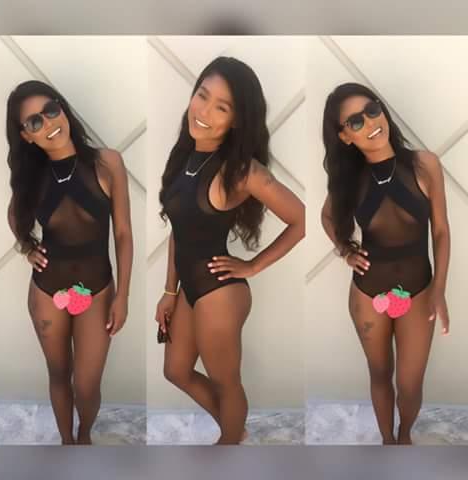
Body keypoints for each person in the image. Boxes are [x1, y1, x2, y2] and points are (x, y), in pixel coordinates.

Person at [155, 57, 305, 445]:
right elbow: (179, 231)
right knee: (176, 371)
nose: (204, 111)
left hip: (219, 293)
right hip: (189, 290)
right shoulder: (183, 156)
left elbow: (301, 219)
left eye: (221, 107)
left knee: (226, 382)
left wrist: (253, 266)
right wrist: (169, 291)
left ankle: (229, 444)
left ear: (237, 120)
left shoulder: (241, 171)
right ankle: (235, 432)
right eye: (202, 96)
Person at [321, 82, 450, 445]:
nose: (370, 122)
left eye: (372, 110)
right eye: (355, 121)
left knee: (409, 385)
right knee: (379, 373)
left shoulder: (425, 164)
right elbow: (326, 217)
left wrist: (439, 290)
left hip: (419, 292)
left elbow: (441, 231)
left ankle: (404, 436)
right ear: (344, 136)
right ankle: (387, 443)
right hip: (368, 295)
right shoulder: (348, 181)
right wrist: (345, 249)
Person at [6, 80, 133, 445]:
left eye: (51, 110)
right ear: (26, 136)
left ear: (62, 108)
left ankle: (84, 436)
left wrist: (123, 296)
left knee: (87, 385)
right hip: (47, 292)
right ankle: (67, 444)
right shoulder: (31, 179)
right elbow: (14, 215)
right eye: (35, 122)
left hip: (98, 292)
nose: (48, 123)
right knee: (59, 374)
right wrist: (27, 246)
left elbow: (123, 233)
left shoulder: (107, 162)